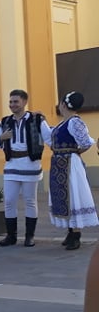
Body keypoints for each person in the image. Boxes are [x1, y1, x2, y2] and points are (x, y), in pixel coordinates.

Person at [0, 89, 51, 247]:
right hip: (11, 165)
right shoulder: (4, 121)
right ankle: (11, 236)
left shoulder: (36, 119)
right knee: (9, 201)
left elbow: (49, 137)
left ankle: (29, 236)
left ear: (24, 102)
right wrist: (1, 138)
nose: (12, 105)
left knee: (30, 201)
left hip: (30, 165)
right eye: (10, 102)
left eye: (16, 101)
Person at [48, 91, 98, 250]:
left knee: (74, 195)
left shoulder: (75, 122)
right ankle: (71, 231)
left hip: (70, 164)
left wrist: (75, 153)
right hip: (60, 163)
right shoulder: (64, 123)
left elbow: (86, 142)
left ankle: (76, 234)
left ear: (63, 104)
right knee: (66, 198)